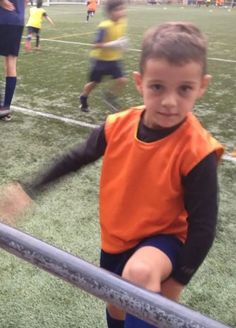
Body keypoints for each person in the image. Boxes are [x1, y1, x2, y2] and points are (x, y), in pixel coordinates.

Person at [0, 22, 224, 328]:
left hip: (164, 241)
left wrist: (177, 283)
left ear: (201, 86)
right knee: (118, 307)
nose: (170, 101)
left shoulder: (197, 150)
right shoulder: (118, 125)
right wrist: (28, 190)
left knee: (139, 275)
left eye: (184, 88)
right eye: (157, 87)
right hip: (117, 237)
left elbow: (204, 225)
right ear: (139, 82)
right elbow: (75, 157)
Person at [79, 0, 128, 112]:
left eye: (123, 9)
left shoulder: (123, 21)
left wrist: (123, 42)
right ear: (110, 13)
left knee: (122, 80)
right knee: (94, 83)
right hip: (100, 60)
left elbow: (120, 35)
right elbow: (95, 45)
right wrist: (114, 44)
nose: (122, 12)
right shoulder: (104, 26)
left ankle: (109, 96)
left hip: (114, 59)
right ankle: (83, 98)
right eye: (118, 9)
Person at [0, 0, 27, 121]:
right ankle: (5, 108)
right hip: (18, 20)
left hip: (3, 18)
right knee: (11, 61)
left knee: (10, 62)